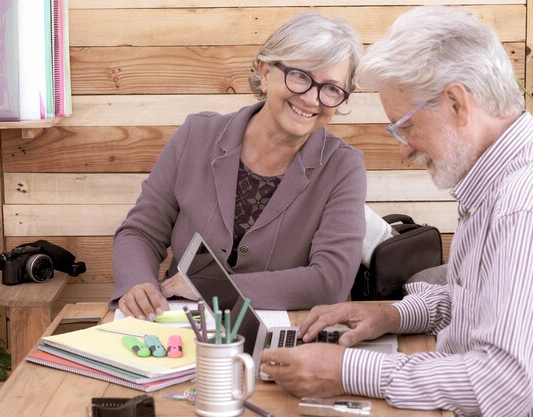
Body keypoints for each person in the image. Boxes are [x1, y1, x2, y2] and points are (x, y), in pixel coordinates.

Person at [260, 6, 533, 417]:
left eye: (405, 126)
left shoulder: (527, 208)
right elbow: (489, 300)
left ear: (455, 103)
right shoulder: (508, 171)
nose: (403, 149)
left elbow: (501, 383)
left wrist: (348, 370)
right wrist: (391, 314)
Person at [110, 13, 367, 320]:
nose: (312, 99)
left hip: (282, 342)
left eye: (332, 89)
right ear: (266, 71)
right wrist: (138, 283)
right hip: (178, 326)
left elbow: (330, 281)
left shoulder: (344, 167)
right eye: (300, 76)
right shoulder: (197, 135)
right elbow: (140, 232)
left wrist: (214, 287)